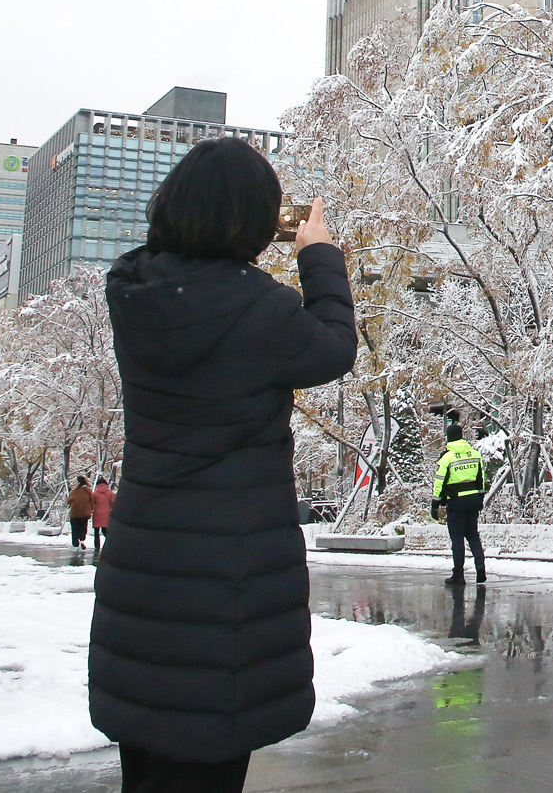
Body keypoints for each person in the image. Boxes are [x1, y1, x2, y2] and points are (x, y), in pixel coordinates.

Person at [91, 138, 355, 793]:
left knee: (148, 762)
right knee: (206, 765)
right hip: (224, 578)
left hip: (145, 567)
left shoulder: (134, 292)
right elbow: (332, 348)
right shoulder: (257, 308)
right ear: (253, 220)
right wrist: (316, 251)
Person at [431, 420, 487, 587]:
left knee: (457, 538)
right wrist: (480, 499)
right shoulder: (475, 454)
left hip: (456, 502)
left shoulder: (446, 457)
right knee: (473, 535)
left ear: (448, 438)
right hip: (473, 501)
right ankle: (480, 565)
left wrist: (435, 503)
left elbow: (439, 481)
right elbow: (481, 479)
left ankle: (458, 575)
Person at [68, 477, 94, 549]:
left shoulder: (74, 492)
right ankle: (82, 539)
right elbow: (92, 501)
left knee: (75, 528)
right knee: (83, 527)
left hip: (75, 513)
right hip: (85, 513)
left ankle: (75, 543)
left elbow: (69, 501)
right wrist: (90, 509)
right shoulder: (88, 491)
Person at [90, 477, 113, 554]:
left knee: (96, 531)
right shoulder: (110, 493)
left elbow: (92, 504)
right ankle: (110, 544)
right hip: (106, 513)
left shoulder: (95, 494)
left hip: (97, 512)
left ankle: (97, 546)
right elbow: (113, 503)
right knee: (105, 530)